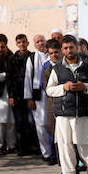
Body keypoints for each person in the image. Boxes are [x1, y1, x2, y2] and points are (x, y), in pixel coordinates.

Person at [45, 35, 88, 174]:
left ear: (77, 47)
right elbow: (49, 90)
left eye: (71, 47)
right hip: (64, 114)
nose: (69, 51)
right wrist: (64, 87)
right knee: (66, 146)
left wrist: (84, 87)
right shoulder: (57, 69)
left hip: (84, 111)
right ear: (62, 50)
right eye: (65, 48)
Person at [24, 34, 54, 162]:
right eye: (37, 42)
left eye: (42, 40)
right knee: (41, 125)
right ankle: (46, 153)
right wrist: (29, 98)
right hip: (38, 96)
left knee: (52, 124)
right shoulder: (31, 58)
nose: (40, 43)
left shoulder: (52, 55)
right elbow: (28, 78)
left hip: (52, 94)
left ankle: (55, 153)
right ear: (34, 44)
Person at [10, 33, 35, 155]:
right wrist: (11, 96)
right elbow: (10, 78)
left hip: (30, 94)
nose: (22, 44)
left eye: (24, 42)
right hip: (18, 94)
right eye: (19, 42)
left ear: (28, 43)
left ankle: (33, 146)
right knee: (19, 122)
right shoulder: (13, 59)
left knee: (31, 121)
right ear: (16, 44)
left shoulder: (33, 57)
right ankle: (22, 147)